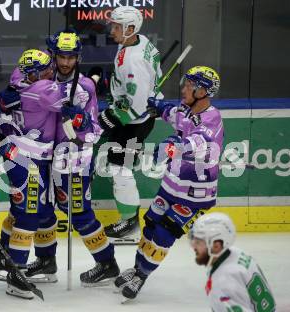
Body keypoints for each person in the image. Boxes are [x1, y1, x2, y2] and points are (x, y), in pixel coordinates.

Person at [116, 66, 224, 301]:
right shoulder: (185, 110)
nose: (183, 88)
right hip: (172, 185)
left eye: (189, 85)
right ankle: (136, 269)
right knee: (151, 225)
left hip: (195, 195)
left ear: (202, 90)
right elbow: (170, 112)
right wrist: (155, 104)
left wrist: (172, 145)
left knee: (165, 233)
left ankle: (141, 276)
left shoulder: (211, 118)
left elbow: (198, 141)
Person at [0, 48, 64, 299]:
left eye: (50, 69)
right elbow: (69, 97)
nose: (51, 73)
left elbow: (9, 98)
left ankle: (7, 259)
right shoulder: (44, 89)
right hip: (27, 159)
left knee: (37, 211)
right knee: (29, 215)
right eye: (45, 71)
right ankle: (16, 274)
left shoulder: (19, 80)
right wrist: (92, 83)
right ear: (31, 75)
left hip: (25, 157)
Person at [45, 29, 119, 286]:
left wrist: (82, 119)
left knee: (78, 212)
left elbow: (95, 131)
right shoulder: (42, 80)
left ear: (78, 57)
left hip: (73, 158)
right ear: (53, 55)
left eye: (71, 57)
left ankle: (107, 262)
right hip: (45, 157)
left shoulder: (85, 86)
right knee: (44, 209)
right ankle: (46, 260)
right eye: (61, 56)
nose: (66, 63)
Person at [98, 6, 163, 244]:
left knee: (120, 168)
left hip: (134, 123)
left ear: (130, 29)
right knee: (120, 166)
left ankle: (130, 224)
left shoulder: (133, 62)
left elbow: (137, 102)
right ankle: (130, 221)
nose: (112, 30)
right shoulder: (140, 42)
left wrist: (111, 118)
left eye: (117, 27)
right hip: (137, 119)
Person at [189, 212, 276, 312]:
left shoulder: (223, 284)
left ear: (216, 246)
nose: (193, 246)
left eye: (198, 242)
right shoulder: (237, 253)